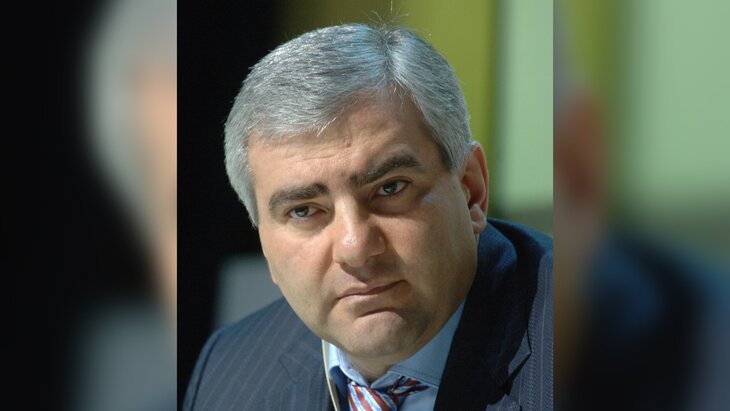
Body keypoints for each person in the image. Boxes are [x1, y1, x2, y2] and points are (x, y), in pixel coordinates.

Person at [183, 23, 553, 411]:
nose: (356, 248)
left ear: (471, 190)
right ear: (263, 240)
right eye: (304, 211)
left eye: (390, 188)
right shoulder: (227, 372)